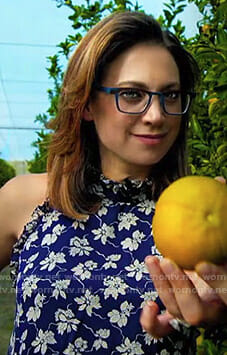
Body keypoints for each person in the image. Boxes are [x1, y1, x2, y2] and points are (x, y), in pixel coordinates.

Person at [0, 10, 226, 355]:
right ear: (88, 103)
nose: (156, 115)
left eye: (171, 95)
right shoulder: (25, 199)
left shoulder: (204, 213)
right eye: (132, 94)